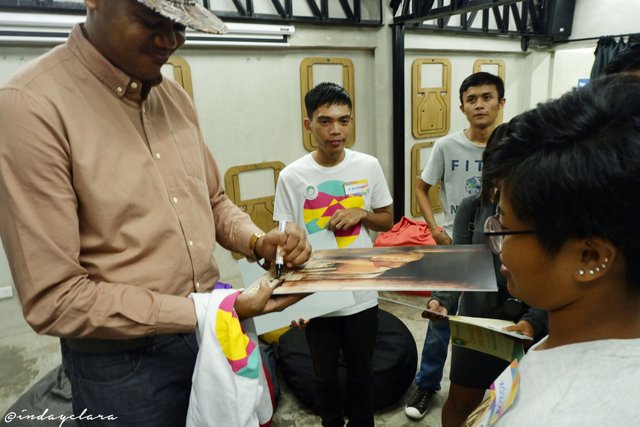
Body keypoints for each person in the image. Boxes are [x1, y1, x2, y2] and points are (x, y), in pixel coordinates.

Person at [0, 1, 310, 426]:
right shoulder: (31, 108)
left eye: (180, 26)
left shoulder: (173, 97)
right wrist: (212, 311)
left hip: (209, 331)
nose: (170, 41)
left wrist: (257, 241)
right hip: (123, 366)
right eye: (150, 21)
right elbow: (56, 299)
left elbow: (213, 200)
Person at [474, 74, 640, 426]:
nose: (499, 247)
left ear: (589, 257)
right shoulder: (582, 338)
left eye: (506, 227)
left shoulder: (558, 415)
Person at [273, 82, 393, 427]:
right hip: (318, 292)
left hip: (362, 289)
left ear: (352, 121)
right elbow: (284, 242)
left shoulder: (368, 166)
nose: (335, 130)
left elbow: (386, 219)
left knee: (362, 374)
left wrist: (362, 213)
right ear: (308, 125)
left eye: (343, 120)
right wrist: (291, 298)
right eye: (325, 121)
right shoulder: (292, 176)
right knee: (323, 376)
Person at [423, 123, 547, 427]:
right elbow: (459, 266)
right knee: (461, 401)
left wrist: (534, 321)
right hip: (477, 325)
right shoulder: (472, 208)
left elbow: (555, 277)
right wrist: (442, 301)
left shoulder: (548, 212)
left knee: (521, 407)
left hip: (527, 327)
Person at [406, 71, 506, 419]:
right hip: (456, 241)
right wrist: (434, 229)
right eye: (471, 99)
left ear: (501, 102)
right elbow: (422, 188)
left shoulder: (510, 147)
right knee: (440, 314)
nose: (479, 105)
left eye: (487, 97)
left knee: (491, 320)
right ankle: (427, 384)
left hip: (502, 248)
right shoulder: (446, 146)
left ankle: (491, 390)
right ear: (462, 107)